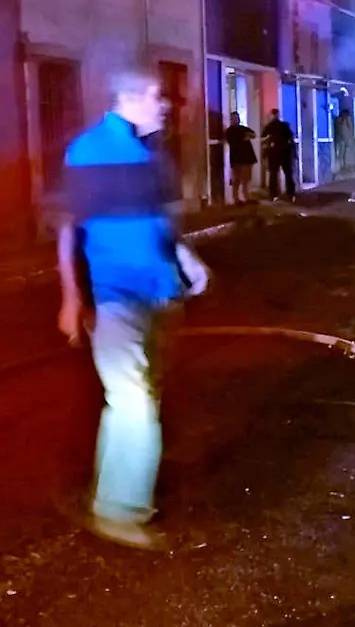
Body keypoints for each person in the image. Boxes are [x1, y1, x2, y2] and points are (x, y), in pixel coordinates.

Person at [55, 66, 210, 550]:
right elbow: (68, 229)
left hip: (162, 296)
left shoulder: (154, 155)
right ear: (130, 98)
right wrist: (71, 297)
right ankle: (120, 511)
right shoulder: (88, 151)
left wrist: (187, 259)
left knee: (139, 398)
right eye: (157, 96)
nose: (165, 104)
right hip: (116, 296)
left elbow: (159, 223)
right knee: (134, 403)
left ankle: (112, 496)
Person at [261, 108, 296, 201]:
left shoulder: (274, 126)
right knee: (284, 174)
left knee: (276, 174)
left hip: (278, 153)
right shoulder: (281, 125)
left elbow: (263, 136)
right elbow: (291, 137)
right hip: (281, 153)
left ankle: (276, 194)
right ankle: (288, 194)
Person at [224, 112, 257, 205]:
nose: (236, 120)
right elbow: (233, 141)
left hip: (247, 158)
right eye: (234, 118)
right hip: (237, 158)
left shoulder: (243, 128)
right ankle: (236, 198)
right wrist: (244, 137)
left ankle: (247, 197)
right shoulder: (230, 131)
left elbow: (253, 134)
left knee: (246, 179)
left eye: (237, 118)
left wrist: (247, 136)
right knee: (237, 179)